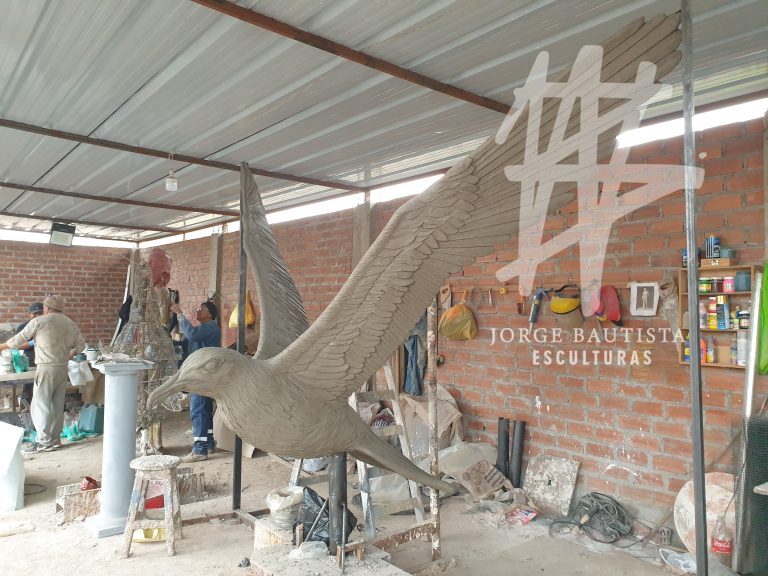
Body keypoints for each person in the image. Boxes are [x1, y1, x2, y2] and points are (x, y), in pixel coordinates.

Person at [1, 295, 86, 453]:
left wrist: (2, 346)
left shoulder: (39, 321)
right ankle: (55, 440)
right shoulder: (70, 323)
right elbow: (81, 346)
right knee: (57, 405)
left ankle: (44, 442)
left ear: (47, 308)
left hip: (46, 368)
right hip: (62, 368)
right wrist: (68, 355)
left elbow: (17, 340)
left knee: (40, 405)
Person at [171, 300, 221, 462]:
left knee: (198, 409)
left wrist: (180, 315)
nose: (198, 310)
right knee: (204, 409)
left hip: (202, 375)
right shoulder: (201, 330)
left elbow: (192, 334)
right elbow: (187, 341)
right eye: (198, 308)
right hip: (201, 374)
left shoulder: (211, 326)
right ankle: (208, 444)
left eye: (202, 308)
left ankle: (199, 450)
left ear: (211, 314)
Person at [14, 302, 44, 409]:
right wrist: (32, 343)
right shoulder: (23, 327)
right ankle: (24, 412)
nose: (37, 316)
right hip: (29, 363)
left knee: (44, 391)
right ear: (29, 314)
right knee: (28, 390)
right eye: (34, 313)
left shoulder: (47, 327)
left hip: (45, 362)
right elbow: (17, 346)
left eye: (40, 313)